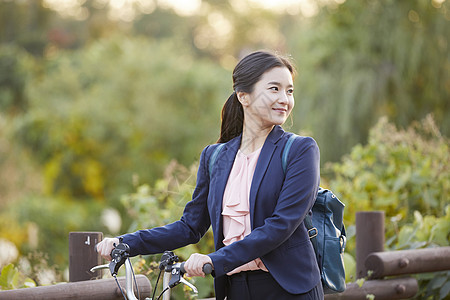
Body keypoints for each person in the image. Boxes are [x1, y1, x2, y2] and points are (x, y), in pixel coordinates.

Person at [97, 50, 324, 300]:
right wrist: (127, 242)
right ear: (243, 96)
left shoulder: (300, 150)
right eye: (274, 89)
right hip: (235, 289)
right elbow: (190, 227)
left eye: (289, 91)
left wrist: (214, 260)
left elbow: (281, 225)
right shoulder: (215, 156)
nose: (285, 99)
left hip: (289, 290)